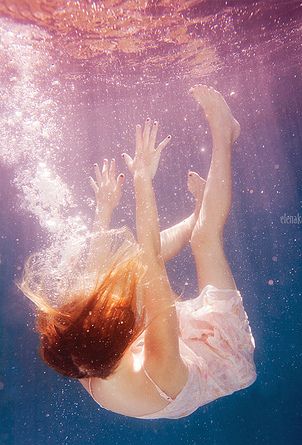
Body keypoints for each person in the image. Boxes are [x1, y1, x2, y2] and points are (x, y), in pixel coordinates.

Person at [19, 85, 256, 419]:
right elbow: (151, 260)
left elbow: (99, 277)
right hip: (214, 357)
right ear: (129, 338)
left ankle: (196, 213)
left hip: (144, 354)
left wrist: (104, 208)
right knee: (204, 240)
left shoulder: (79, 354)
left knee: (125, 265)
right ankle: (224, 131)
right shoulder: (162, 369)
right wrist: (143, 178)